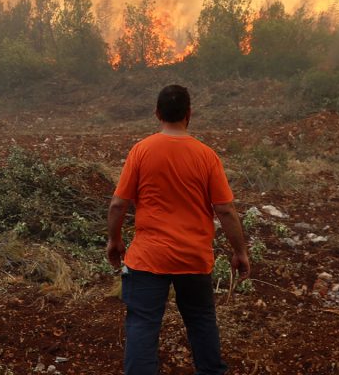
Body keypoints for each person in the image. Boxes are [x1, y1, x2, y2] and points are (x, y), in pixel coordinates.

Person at [106, 84, 251, 375]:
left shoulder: (141, 151)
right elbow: (224, 209)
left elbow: (118, 205)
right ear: (189, 114)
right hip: (193, 258)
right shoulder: (206, 156)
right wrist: (240, 251)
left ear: (157, 113)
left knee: (142, 324)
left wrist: (114, 240)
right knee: (200, 320)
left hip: (148, 259)